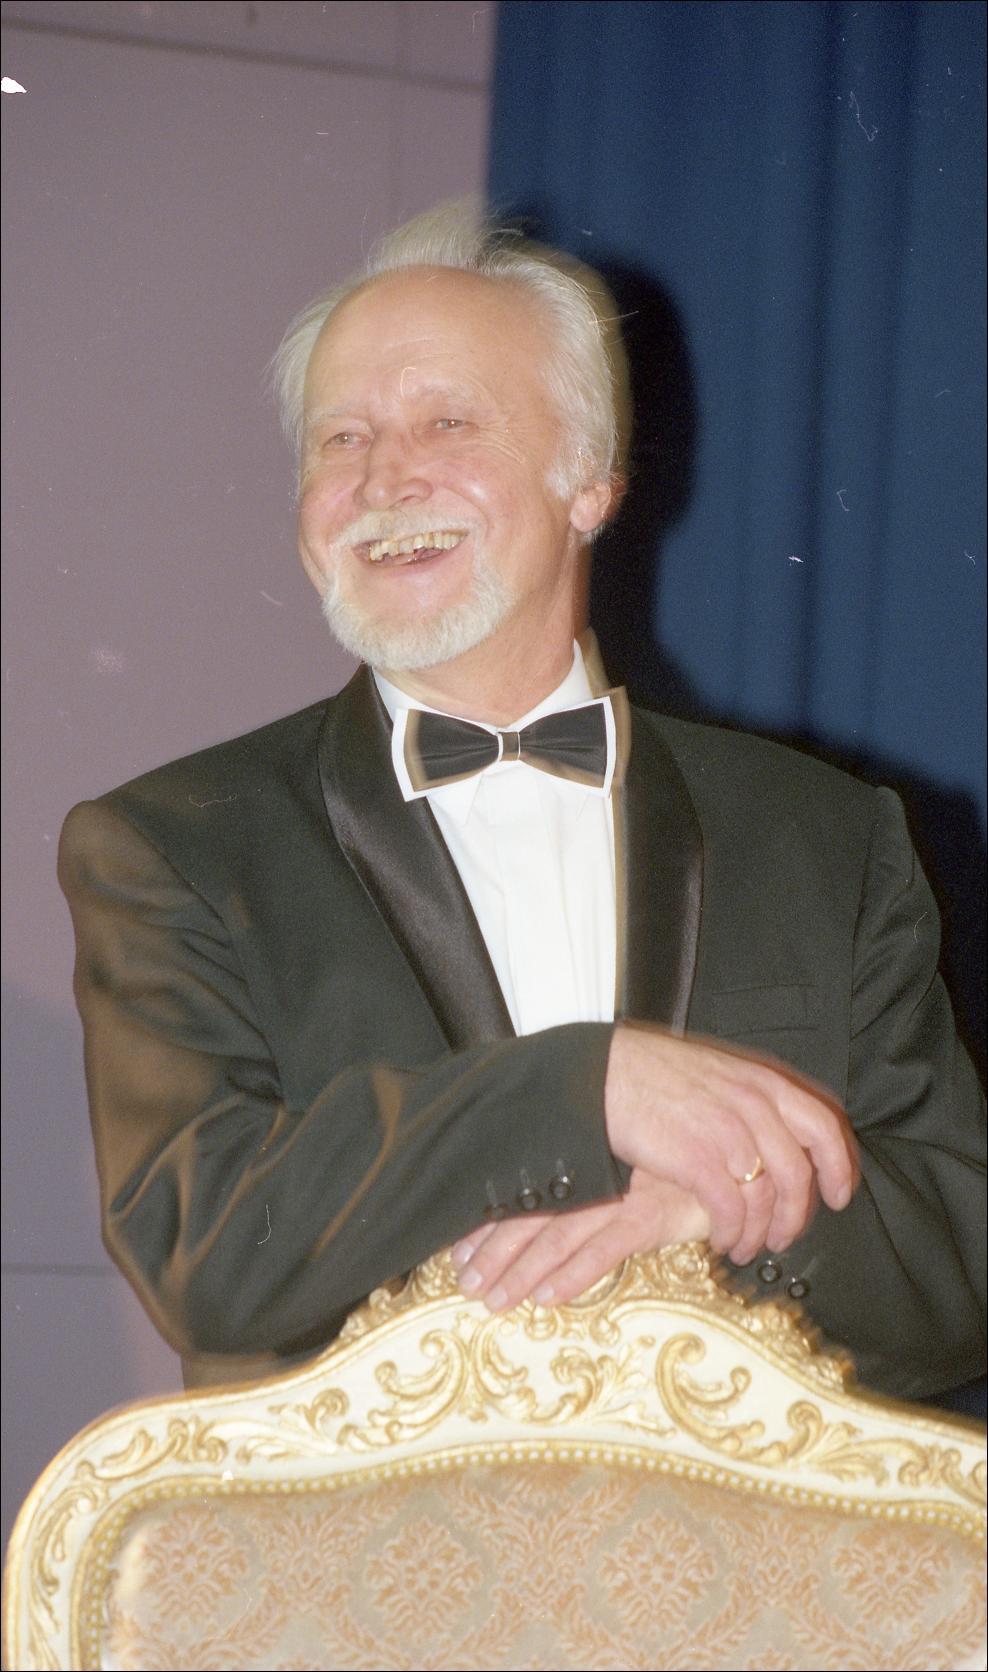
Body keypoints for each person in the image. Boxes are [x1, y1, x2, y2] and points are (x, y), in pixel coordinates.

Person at [59, 205, 985, 1397]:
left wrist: (717, 1209)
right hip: (366, 1520)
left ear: (590, 482)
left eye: (447, 421)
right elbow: (209, 1247)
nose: (384, 478)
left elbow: (961, 1258)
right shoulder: (172, 844)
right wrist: (584, 1090)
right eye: (341, 438)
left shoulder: (828, 835)